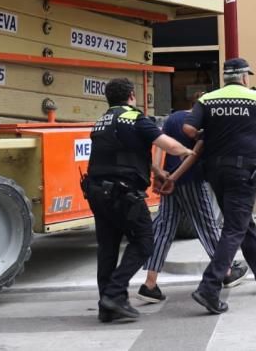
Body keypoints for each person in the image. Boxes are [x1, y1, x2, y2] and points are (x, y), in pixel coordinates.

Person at [81, 78, 193, 323]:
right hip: (123, 193)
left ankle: (107, 307)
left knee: (107, 248)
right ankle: (113, 295)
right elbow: (170, 146)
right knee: (144, 242)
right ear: (132, 95)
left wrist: (155, 170)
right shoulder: (135, 118)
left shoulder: (102, 121)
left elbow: (125, 154)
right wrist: (190, 152)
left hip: (97, 192)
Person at [184, 57, 256, 315]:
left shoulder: (207, 100)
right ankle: (209, 287)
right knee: (234, 229)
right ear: (244, 77)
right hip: (243, 172)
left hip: (215, 171)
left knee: (243, 224)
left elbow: (188, 128)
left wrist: (208, 133)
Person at [135, 93, 248, 304]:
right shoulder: (206, 124)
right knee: (208, 226)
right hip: (190, 181)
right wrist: (175, 178)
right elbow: (194, 155)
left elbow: (160, 145)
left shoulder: (173, 118)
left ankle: (149, 284)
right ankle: (227, 272)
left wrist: (159, 173)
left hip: (168, 181)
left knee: (164, 229)